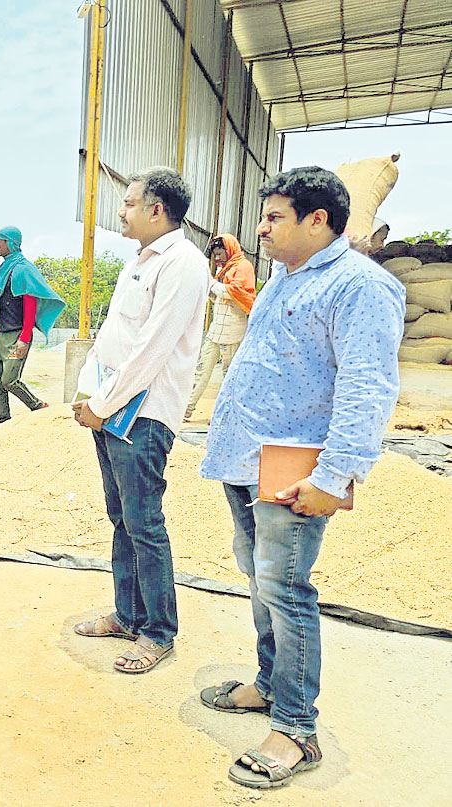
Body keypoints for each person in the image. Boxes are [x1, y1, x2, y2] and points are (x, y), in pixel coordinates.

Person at [198, 167, 405, 790]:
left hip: (294, 469)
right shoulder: (284, 280)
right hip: (246, 459)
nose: (259, 229)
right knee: (260, 582)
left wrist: (334, 474)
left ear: (318, 220)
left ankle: (295, 728)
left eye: (273, 218)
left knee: (286, 591)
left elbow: (366, 388)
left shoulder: (360, 287)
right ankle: (268, 685)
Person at [71, 167, 208, 674]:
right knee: (122, 518)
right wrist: (91, 395)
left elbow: (152, 349)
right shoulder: (143, 262)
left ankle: (157, 632)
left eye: (129, 203)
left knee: (145, 523)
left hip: (143, 416)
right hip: (112, 410)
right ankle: (128, 614)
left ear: (156, 210)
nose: (121, 211)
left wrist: (102, 405)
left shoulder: (183, 264)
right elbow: (116, 337)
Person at [0, 226, 67, 422]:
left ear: (10, 243)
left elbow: (30, 307)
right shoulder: (2, 270)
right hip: (1, 336)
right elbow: (0, 306)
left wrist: (24, 338)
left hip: (16, 337)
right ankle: (4, 420)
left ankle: (37, 405)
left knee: (9, 380)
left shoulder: (23, 269)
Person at [183, 233, 256, 421]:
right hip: (216, 330)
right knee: (202, 368)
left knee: (229, 374)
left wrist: (211, 283)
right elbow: (219, 297)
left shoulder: (243, 267)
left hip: (234, 330)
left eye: (219, 253)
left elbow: (237, 293)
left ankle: (229, 413)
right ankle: (187, 408)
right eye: (214, 254)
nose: (216, 258)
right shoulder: (224, 271)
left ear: (229, 249)